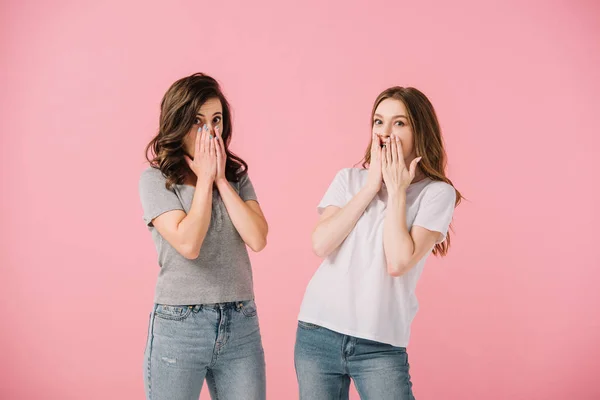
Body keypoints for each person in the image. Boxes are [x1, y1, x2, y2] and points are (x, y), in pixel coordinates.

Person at [295, 86, 462, 399]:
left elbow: (398, 262)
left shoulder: (437, 194)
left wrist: (398, 190)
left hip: (379, 345)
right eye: (378, 122)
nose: (386, 132)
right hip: (317, 332)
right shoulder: (349, 180)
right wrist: (372, 186)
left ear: (420, 130)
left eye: (399, 123)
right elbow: (321, 244)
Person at [139, 73, 268, 400]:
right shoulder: (156, 180)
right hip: (180, 324)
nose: (209, 131)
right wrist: (205, 178)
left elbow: (257, 238)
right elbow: (188, 243)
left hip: (240, 322)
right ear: (178, 122)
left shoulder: (237, 178)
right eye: (197, 121)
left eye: (216, 120)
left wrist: (221, 182)